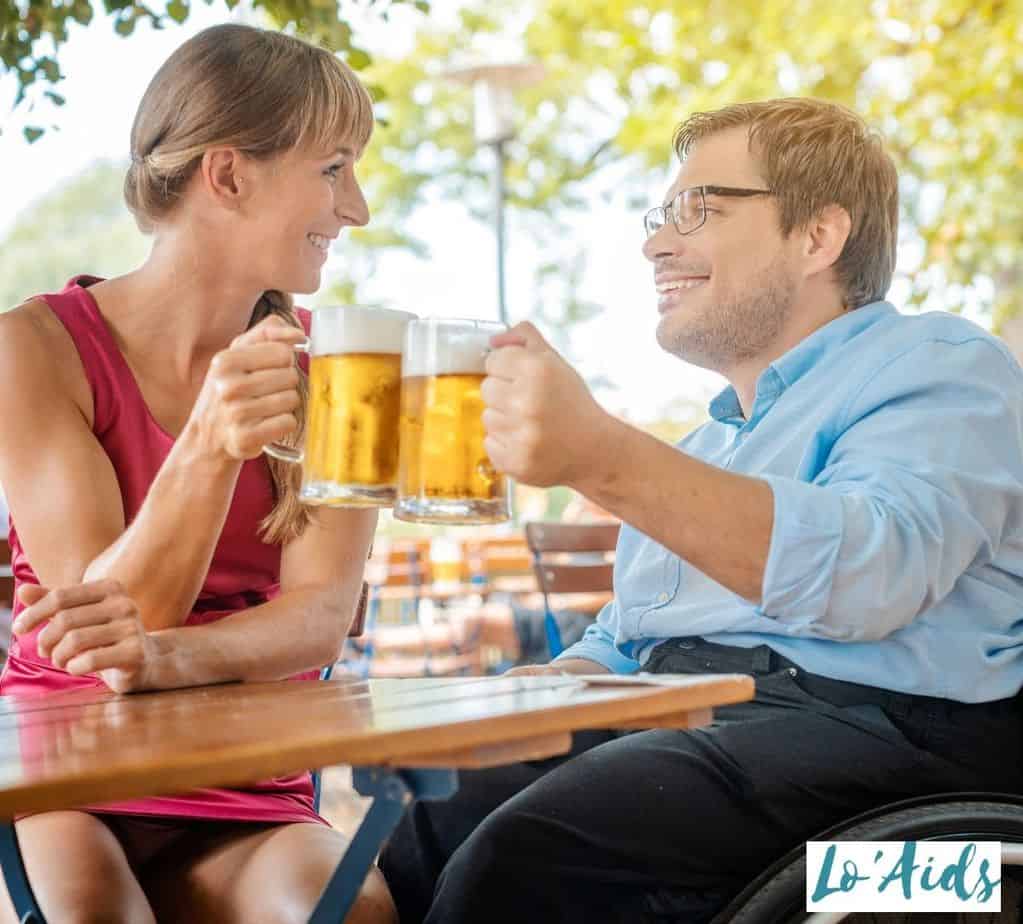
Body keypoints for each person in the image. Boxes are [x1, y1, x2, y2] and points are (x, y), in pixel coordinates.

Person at [378, 97, 1023, 923]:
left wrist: (598, 454)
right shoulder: (705, 447)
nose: (655, 243)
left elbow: (873, 576)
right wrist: (544, 687)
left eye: (699, 210)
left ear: (818, 237)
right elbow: (626, 636)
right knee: (432, 806)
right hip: (697, 728)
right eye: (660, 216)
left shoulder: (940, 364)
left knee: (538, 856)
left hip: (908, 798)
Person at [0, 24, 397, 924]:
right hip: (70, 767)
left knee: (347, 913)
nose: (357, 207)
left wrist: (165, 662)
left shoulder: (338, 380)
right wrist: (212, 445)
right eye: (334, 169)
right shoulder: (32, 348)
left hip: (244, 773)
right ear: (228, 174)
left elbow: (320, 621)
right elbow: (105, 634)